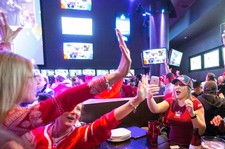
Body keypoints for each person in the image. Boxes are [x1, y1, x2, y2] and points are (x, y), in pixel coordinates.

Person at [0, 28, 131, 137]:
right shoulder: (10, 119)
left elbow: (6, 71)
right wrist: (118, 74)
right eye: (31, 76)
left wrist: (6, 46)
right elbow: (65, 100)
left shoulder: (7, 116)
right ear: (15, 82)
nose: (36, 81)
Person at [22, 75, 148, 149]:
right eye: (69, 107)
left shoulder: (78, 136)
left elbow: (105, 122)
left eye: (78, 109)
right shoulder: (34, 133)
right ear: (57, 109)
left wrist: (136, 100)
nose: (73, 112)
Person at [147, 74, 206, 146]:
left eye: (181, 85)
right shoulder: (171, 101)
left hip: (189, 147)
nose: (177, 87)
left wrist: (192, 114)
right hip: (171, 144)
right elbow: (155, 109)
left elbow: (201, 131)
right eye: (176, 84)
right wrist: (149, 98)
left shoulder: (196, 103)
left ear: (189, 88)